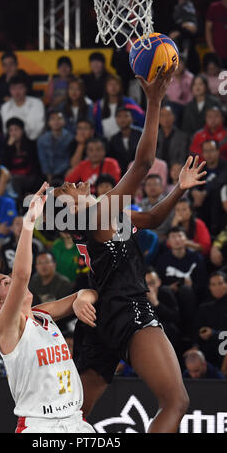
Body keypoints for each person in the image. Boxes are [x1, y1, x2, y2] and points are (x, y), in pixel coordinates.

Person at [50, 66, 207, 432]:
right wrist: (153, 102)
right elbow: (142, 164)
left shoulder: (101, 218)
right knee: (176, 401)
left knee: (74, 416)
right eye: (68, 188)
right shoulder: (98, 215)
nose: (76, 182)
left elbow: (150, 219)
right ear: (69, 210)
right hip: (128, 309)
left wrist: (180, 188)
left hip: (103, 316)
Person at [0, 183, 97, 433]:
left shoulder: (42, 315)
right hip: (40, 427)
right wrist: (29, 222)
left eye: (9, 278)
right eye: (6, 282)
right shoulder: (8, 326)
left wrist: (81, 299)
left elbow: (89, 292)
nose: (12, 281)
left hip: (76, 422)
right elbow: (23, 274)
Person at [1, 117, 43, 203]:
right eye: (11, 130)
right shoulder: (5, 146)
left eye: (16, 129)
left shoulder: (31, 145)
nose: (13, 133)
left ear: (22, 131)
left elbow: (35, 165)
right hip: (12, 178)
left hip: (29, 177)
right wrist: (8, 147)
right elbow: (4, 165)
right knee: (12, 181)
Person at [190, 139, 227, 235]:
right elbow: (192, 183)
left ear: (218, 151)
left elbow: (220, 182)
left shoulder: (225, 166)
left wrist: (204, 193)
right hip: (202, 206)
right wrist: (194, 192)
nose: (209, 154)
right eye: (206, 151)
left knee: (217, 191)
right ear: (202, 153)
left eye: (211, 150)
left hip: (220, 207)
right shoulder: (200, 168)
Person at [192, 271, 227, 368]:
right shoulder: (204, 307)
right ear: (209, 287)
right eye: (213, 284)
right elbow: (197, 329)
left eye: (220, 283)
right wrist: (195, 346)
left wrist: (213, 333)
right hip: (208, 348)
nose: (217, 287)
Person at [94, 74, 145, 140]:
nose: (113, 87)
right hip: (105, 142)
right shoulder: (99, 104)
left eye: (116, 84)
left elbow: (142, 119)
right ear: (106, 87)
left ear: (120, 87)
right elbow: (96, 126)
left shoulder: (129, 102)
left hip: (127, 142)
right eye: (110, 84)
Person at [145, 267, 182, 355]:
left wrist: (157, 304)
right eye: (146, 284)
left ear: (159, 282)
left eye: (152, 283)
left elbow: (175, 317)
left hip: (167, 334)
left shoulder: (166, 293)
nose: (149, 287)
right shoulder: (140, 298)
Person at [0, 75, 45, 141]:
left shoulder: (37, 103)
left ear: (26, 89)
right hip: (13, 141)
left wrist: (26, 141)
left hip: (35, 140)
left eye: (20, 88)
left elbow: (40, 128)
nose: (17, 92)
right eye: (13, 89)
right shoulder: (5, 107)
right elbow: (6, 129)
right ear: (9, 90)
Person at [37, 111, 74, 186]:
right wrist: (49, 177)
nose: (56, 121)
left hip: (66, 173)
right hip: (49, 175)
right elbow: (43, 160)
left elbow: (71, 158)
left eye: (59, 118)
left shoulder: (71, 138)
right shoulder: (42, 140)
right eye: (53, 119)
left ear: (64, 121)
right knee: (49, 193)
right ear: (48, 122)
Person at [108, 107, 142, 175]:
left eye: (126, 116)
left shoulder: (141, 134)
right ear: (116, 120)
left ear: (132, 119)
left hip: (140, 171)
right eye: (119, 116)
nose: (122, 119)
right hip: (122, 175)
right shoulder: (114, 139)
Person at [139, 174, 173, 241]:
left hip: (164, 239)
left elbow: (171, 224)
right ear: (144, 188)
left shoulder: (168, 203)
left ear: (162, 187)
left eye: (155, 184)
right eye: (149, 185)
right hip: (144, 239)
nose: (152, 187)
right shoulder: (140, 205)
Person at [156, 105, 188, 171]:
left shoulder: (182, 137)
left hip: (176, 169)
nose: (166, 118)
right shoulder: (155, 136)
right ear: (158, 119)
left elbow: (182, 157)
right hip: (158, 169)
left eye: (168, 115)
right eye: (162, 115)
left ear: (174, 117)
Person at [205, 0, 227, 68]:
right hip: (218, 51)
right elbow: (208, 29)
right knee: (220, 76)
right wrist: (211, 48)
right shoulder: (214, 7)